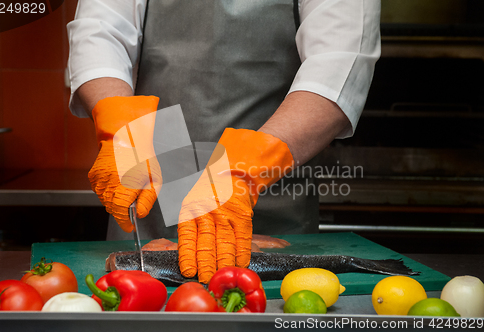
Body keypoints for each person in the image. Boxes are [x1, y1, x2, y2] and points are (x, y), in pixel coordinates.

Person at [67, 0, 381, 283]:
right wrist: (121, 128)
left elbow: (339, 65)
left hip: (268, 199)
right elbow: (100, 31)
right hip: (149, 196)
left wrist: (241, 173)